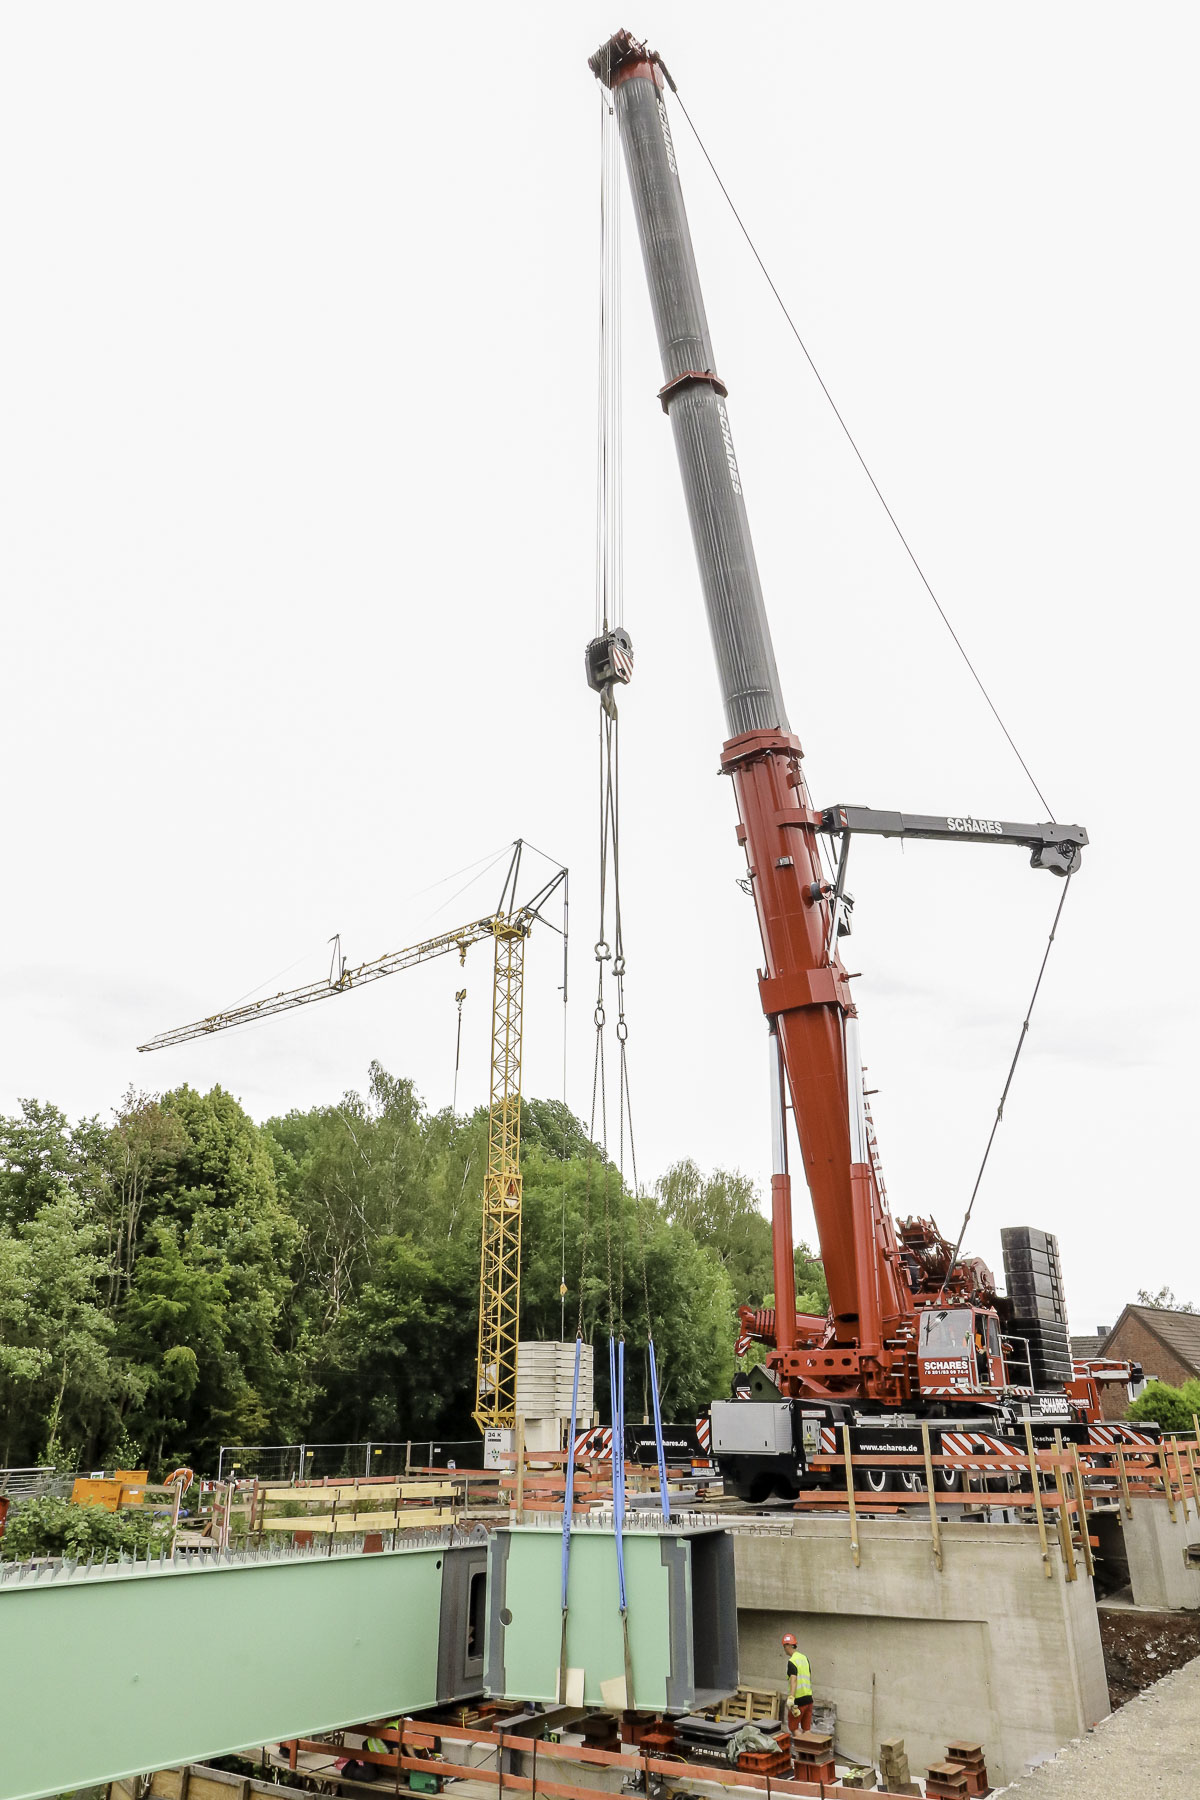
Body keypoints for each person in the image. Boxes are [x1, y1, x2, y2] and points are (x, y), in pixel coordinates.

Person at [782, 1632, 813, 1733]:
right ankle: (807, 1748)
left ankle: (800, 1748)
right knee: (806, 1729)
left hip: (798, 1701)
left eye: (784, 1646)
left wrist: (791, 1698)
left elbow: (793, 1680)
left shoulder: (792, 1661)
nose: (784, 1648)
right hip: (809, 1699)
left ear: (788, 1646)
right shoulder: (804, 1658)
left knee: (794, 1728)